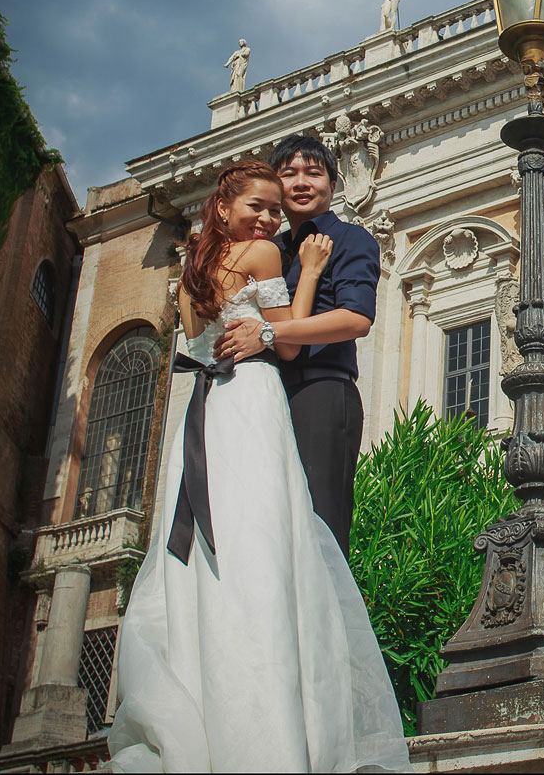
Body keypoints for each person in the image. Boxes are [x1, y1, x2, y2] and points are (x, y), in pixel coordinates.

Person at [108, 161, 406, 771]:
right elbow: (289, 339)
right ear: (225, 208)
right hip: (248, 400)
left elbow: (197, 337)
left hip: (201, 412)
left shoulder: (193, 263)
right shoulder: (266, 255)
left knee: (208, 558)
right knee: (271, 542)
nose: (271, 218)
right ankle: (276, 721)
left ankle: (205, 709)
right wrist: (313, 272)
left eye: (276, 209)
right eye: (260, 205)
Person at [215, 135, 378, 556]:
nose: (302, 182)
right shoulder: (270, 247)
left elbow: (356, 319)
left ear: (333, 183)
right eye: (289, 174)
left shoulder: (350, 238)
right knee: (267, 528)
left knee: (319, 524)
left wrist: (269, 334)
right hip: (265, 397)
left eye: (314, 173)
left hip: (322, 390)